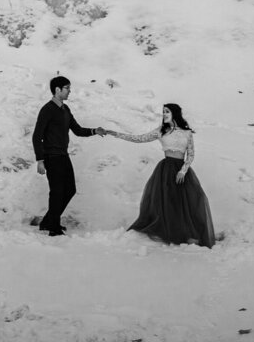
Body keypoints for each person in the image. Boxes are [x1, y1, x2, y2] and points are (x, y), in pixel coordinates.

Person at [106, 103, 216, 248]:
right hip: (165, 169)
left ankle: (184, 232)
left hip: (181, 171)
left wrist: (183, 170)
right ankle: (168, 231)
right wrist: (115, 134)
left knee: (184, 203)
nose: (164, 114)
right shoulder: (161, 131)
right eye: (163, 112)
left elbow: (191, 154)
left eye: (167, 112)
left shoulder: (186, 133)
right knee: (166, 201)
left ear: (175, 113)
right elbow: (138, 139)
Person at [31, 75, 106, 236]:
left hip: (63, 155)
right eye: (67, 88)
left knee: (70, 190)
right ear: (57, 89)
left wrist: (94, 131)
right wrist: (40, 160)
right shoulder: (47, 110)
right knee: (57, 192)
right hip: (51, 156)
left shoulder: (65, 110)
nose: (69, 91)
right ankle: (53, 227)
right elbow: (37, 136)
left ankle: (48, 221)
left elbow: (77, 130)